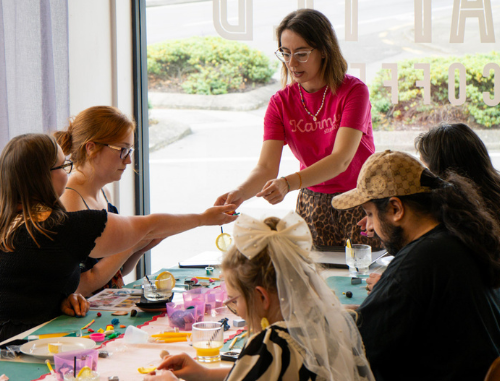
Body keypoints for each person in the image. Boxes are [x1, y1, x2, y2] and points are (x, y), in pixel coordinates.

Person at [0, 133, 235, 341]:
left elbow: (23, 289)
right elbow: (149, 226)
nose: (68, 173)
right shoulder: (61, 227)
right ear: (42, 177)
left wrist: (57, 301)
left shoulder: (11, 223)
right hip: (18, 346)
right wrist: (203, 218)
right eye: (63, 166)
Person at [215, 9, 381, 250]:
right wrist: (239, 194)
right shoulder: (280, 103)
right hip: (311, 203)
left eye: (301, 54)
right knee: (313, 271)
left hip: (360, 200)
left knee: (365, 270)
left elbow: (341, 160)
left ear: (324, 50)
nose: (291, 63)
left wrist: (287, 183)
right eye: (285, 53)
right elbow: (266, 167)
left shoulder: (353, 91)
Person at [144, 211, 375, 381]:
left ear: (261, 297)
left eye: (235, 301)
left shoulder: (273, 343)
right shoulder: (333, 322)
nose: (237, 311)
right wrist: (204, 374)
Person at [331, 150, 500, 381]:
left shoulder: (418, 262)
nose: (369, 227)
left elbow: (358, 348)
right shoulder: (459, 237)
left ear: (396, 209)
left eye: (370, 214)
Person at [362, 122, 500, 292]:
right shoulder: (482, 203)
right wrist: (381, 217)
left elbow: (443, 277)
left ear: (444, 174)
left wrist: (394, 285)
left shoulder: (460, 223)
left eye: (425, 169)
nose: (421, 177)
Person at [54, 106, 159, 295]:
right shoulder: (71, 201)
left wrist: (142, 246)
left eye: (129, 151)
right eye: (123, 150)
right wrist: (132, 244)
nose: (128, 160)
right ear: (91, 148)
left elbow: (116, 272)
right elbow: (82, 284)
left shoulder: (104, 193)